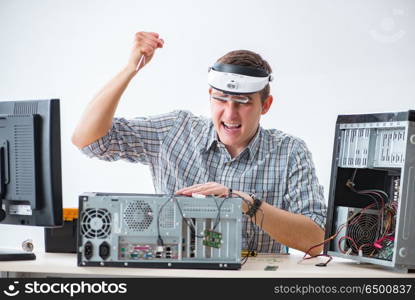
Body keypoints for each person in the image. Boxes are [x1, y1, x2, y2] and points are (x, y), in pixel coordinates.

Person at [72, 31, 327, 255]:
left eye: (243, 102)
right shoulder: (175, 131)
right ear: (210, 96)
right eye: (221, 99)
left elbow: (317, 240)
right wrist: (130, 68)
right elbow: (88, 140)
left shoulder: (290, 151)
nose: (230, 114)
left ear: (265, 106)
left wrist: (244, 202)